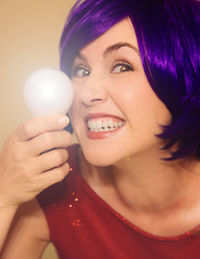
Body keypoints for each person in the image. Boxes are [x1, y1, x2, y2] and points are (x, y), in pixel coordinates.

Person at [1, 0, 200, 258]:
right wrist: (4, 197)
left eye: (122, 66)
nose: (86, 93)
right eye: (81, 70)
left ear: (184, 75)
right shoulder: (53, 182)